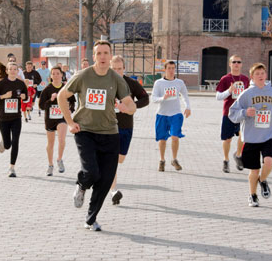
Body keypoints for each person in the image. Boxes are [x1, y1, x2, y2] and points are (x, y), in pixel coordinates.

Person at [57, 40, 136, 231]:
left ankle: (91, 219)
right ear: (94, 56)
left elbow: (131, 106)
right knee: (92, 172)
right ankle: (82, 185)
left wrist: (127, 108)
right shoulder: (83, 76)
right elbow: (61, 96)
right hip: (85, 131)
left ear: (110, 56)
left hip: (110, 134)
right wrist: (69, 122)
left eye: (105, 53)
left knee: (106, 179)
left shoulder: (117, 79)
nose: (102, 57)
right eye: (99, 53)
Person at [229, 63, 272, 207]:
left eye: (262, 73)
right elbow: (232, 112)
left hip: (269, 135)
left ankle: (263, 179)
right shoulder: (247, 93)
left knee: (269, 161)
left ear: (266, 75)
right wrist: (244, 112)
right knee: (254, 170)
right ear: (252, 77)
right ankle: (253, 195)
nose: (260, 76)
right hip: (251, 137)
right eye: (257, 74)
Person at [109, 55, 149, 205]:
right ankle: (113, 191)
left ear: (124, 69)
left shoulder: (131, 83)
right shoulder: (105, 82)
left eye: (119, 69)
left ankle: (109, 181)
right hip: (108, 126)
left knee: (120, 159)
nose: (117, 71)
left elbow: (145, 99)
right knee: (111, 159)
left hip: (126, 126)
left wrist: (131, 106)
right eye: (114, 69)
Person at [151, 61, 191, 172]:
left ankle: (174, 159)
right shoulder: (158, 83)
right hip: (162, 114)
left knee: (175, 137)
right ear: (165, 69)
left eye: (173, 68)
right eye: (169, 68)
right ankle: (162, 160)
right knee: (162, 140)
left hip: (176, 114)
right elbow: (153, 98)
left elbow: (185, 96)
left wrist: (188, 107)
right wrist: (163, 98)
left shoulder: (179, 82)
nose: (171, 70)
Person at [0, 62, 28, 178]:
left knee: (15, 141)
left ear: (18, 71)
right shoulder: (1, 83)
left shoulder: (21, 84)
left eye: (15, 69)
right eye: (10, 69)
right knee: (8, 145)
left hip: (16, 117)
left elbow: (26, 96)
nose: (12, 71)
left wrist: (24, 97)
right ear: (6, 71)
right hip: (3, 118)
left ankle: (12, 168)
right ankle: (4, 142)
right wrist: (3, 96)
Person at [39, 66, 76, 176]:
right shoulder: (47, 89)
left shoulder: (66, 89)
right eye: (53, 73)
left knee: (61, 139)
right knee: (50, 143)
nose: (55, 75)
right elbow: (41, 106)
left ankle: (59, 159)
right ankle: (50, 165)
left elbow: (73, 102)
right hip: (50, 119)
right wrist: (50, 100)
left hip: (62, 117)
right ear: (50, 76)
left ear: (61, 75)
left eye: (57, 73)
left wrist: (70, 110)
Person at [216, 55, 250, 173]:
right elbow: (218, 96)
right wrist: (229, 91)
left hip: (242, 112)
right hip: (229, 112)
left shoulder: (246, 79)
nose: (236, 64)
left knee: (243, 136)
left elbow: (249, 94)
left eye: (238, 62)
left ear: (241, 64)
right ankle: (226, 160)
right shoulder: (225, 79)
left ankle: (238, 155)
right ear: (230, 64)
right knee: (227, 139)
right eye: (234, 62)